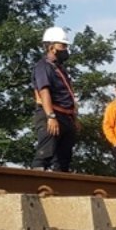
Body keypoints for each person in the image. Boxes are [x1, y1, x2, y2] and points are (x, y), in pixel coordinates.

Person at [32, 27, 77, 171]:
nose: (65, 49)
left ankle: (60, 188)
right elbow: (44, 91)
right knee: (45, 153)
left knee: (64, 159)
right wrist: (50, 116)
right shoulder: (43, 66)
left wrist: (74, 117)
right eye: (62, 46)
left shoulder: (59, 68)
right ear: (51, 47)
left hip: (66, 116)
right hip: (52, 114)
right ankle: (35, 183)